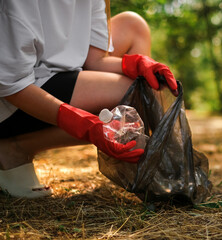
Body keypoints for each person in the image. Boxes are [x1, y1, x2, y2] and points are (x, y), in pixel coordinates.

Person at [0, 0, 178, 198]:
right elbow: (10, 84)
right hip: (13, 96)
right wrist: (84, 125)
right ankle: (13, 147)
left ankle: (141, 159)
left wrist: (135, 64)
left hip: (58, 75)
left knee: (133, 25)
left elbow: (95, 60)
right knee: (134, 94)